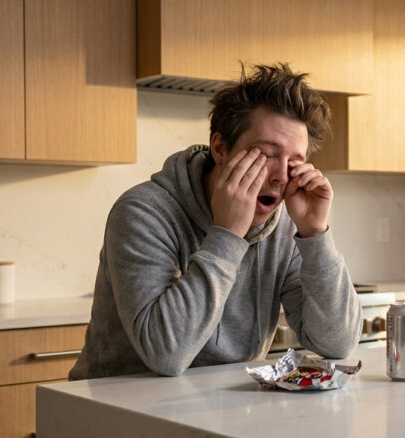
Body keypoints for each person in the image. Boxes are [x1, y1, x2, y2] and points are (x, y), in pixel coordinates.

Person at [69, 63, 362, 379]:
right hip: (116, 412)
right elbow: (166, 355)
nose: (281, 176)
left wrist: (315, 234)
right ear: (220, 148)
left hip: (221, 407)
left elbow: (338, 344)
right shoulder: (143, 211)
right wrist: (227, 234)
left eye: (294, 161)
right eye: (266, 154)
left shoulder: (287, 224)